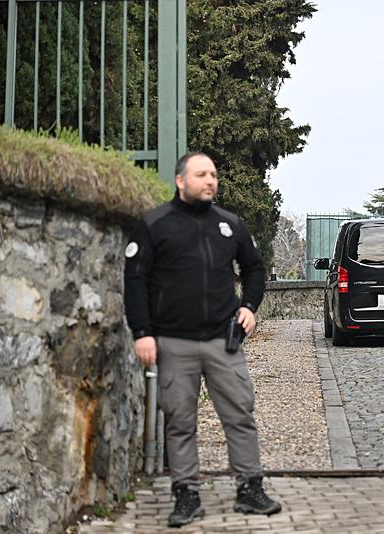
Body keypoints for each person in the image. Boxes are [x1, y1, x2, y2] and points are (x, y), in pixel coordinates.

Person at [124, 152, 281, 527]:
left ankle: (250, 488)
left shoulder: (229, 225)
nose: (210, 180)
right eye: (201, 174)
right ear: (181, 181)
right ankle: (186, 494)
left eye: (213, 174)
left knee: (240, 414)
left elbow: (254, 269)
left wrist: (250, 307)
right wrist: (142, 333)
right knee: (179, 420)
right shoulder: (154, 224)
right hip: (173, 342)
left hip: (221, 341)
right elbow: (135, 283)